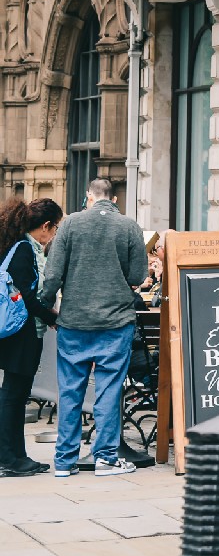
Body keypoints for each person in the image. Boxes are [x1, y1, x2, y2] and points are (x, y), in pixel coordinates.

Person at [38, 178, 148, 478]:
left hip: (74, 321)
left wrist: (47, 305)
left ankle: (64, 461)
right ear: (114, 200)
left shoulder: (71, 224)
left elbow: (53, 273)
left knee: (70, 391)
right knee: (109, 390)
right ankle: (106, 459)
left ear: (89, 196)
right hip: (115, 321)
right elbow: (138, 275)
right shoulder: (129, 226)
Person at [0, 198, 62, 476]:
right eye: (55, 226)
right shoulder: (25, 249)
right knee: (13, 395)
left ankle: (17, 456)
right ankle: (8, 458)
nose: (55, 232)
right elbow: (27, 298)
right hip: (21, 332)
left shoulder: (17, 244)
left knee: (15, 393)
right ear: (45, 225)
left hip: (16, 331)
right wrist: (53, 318)